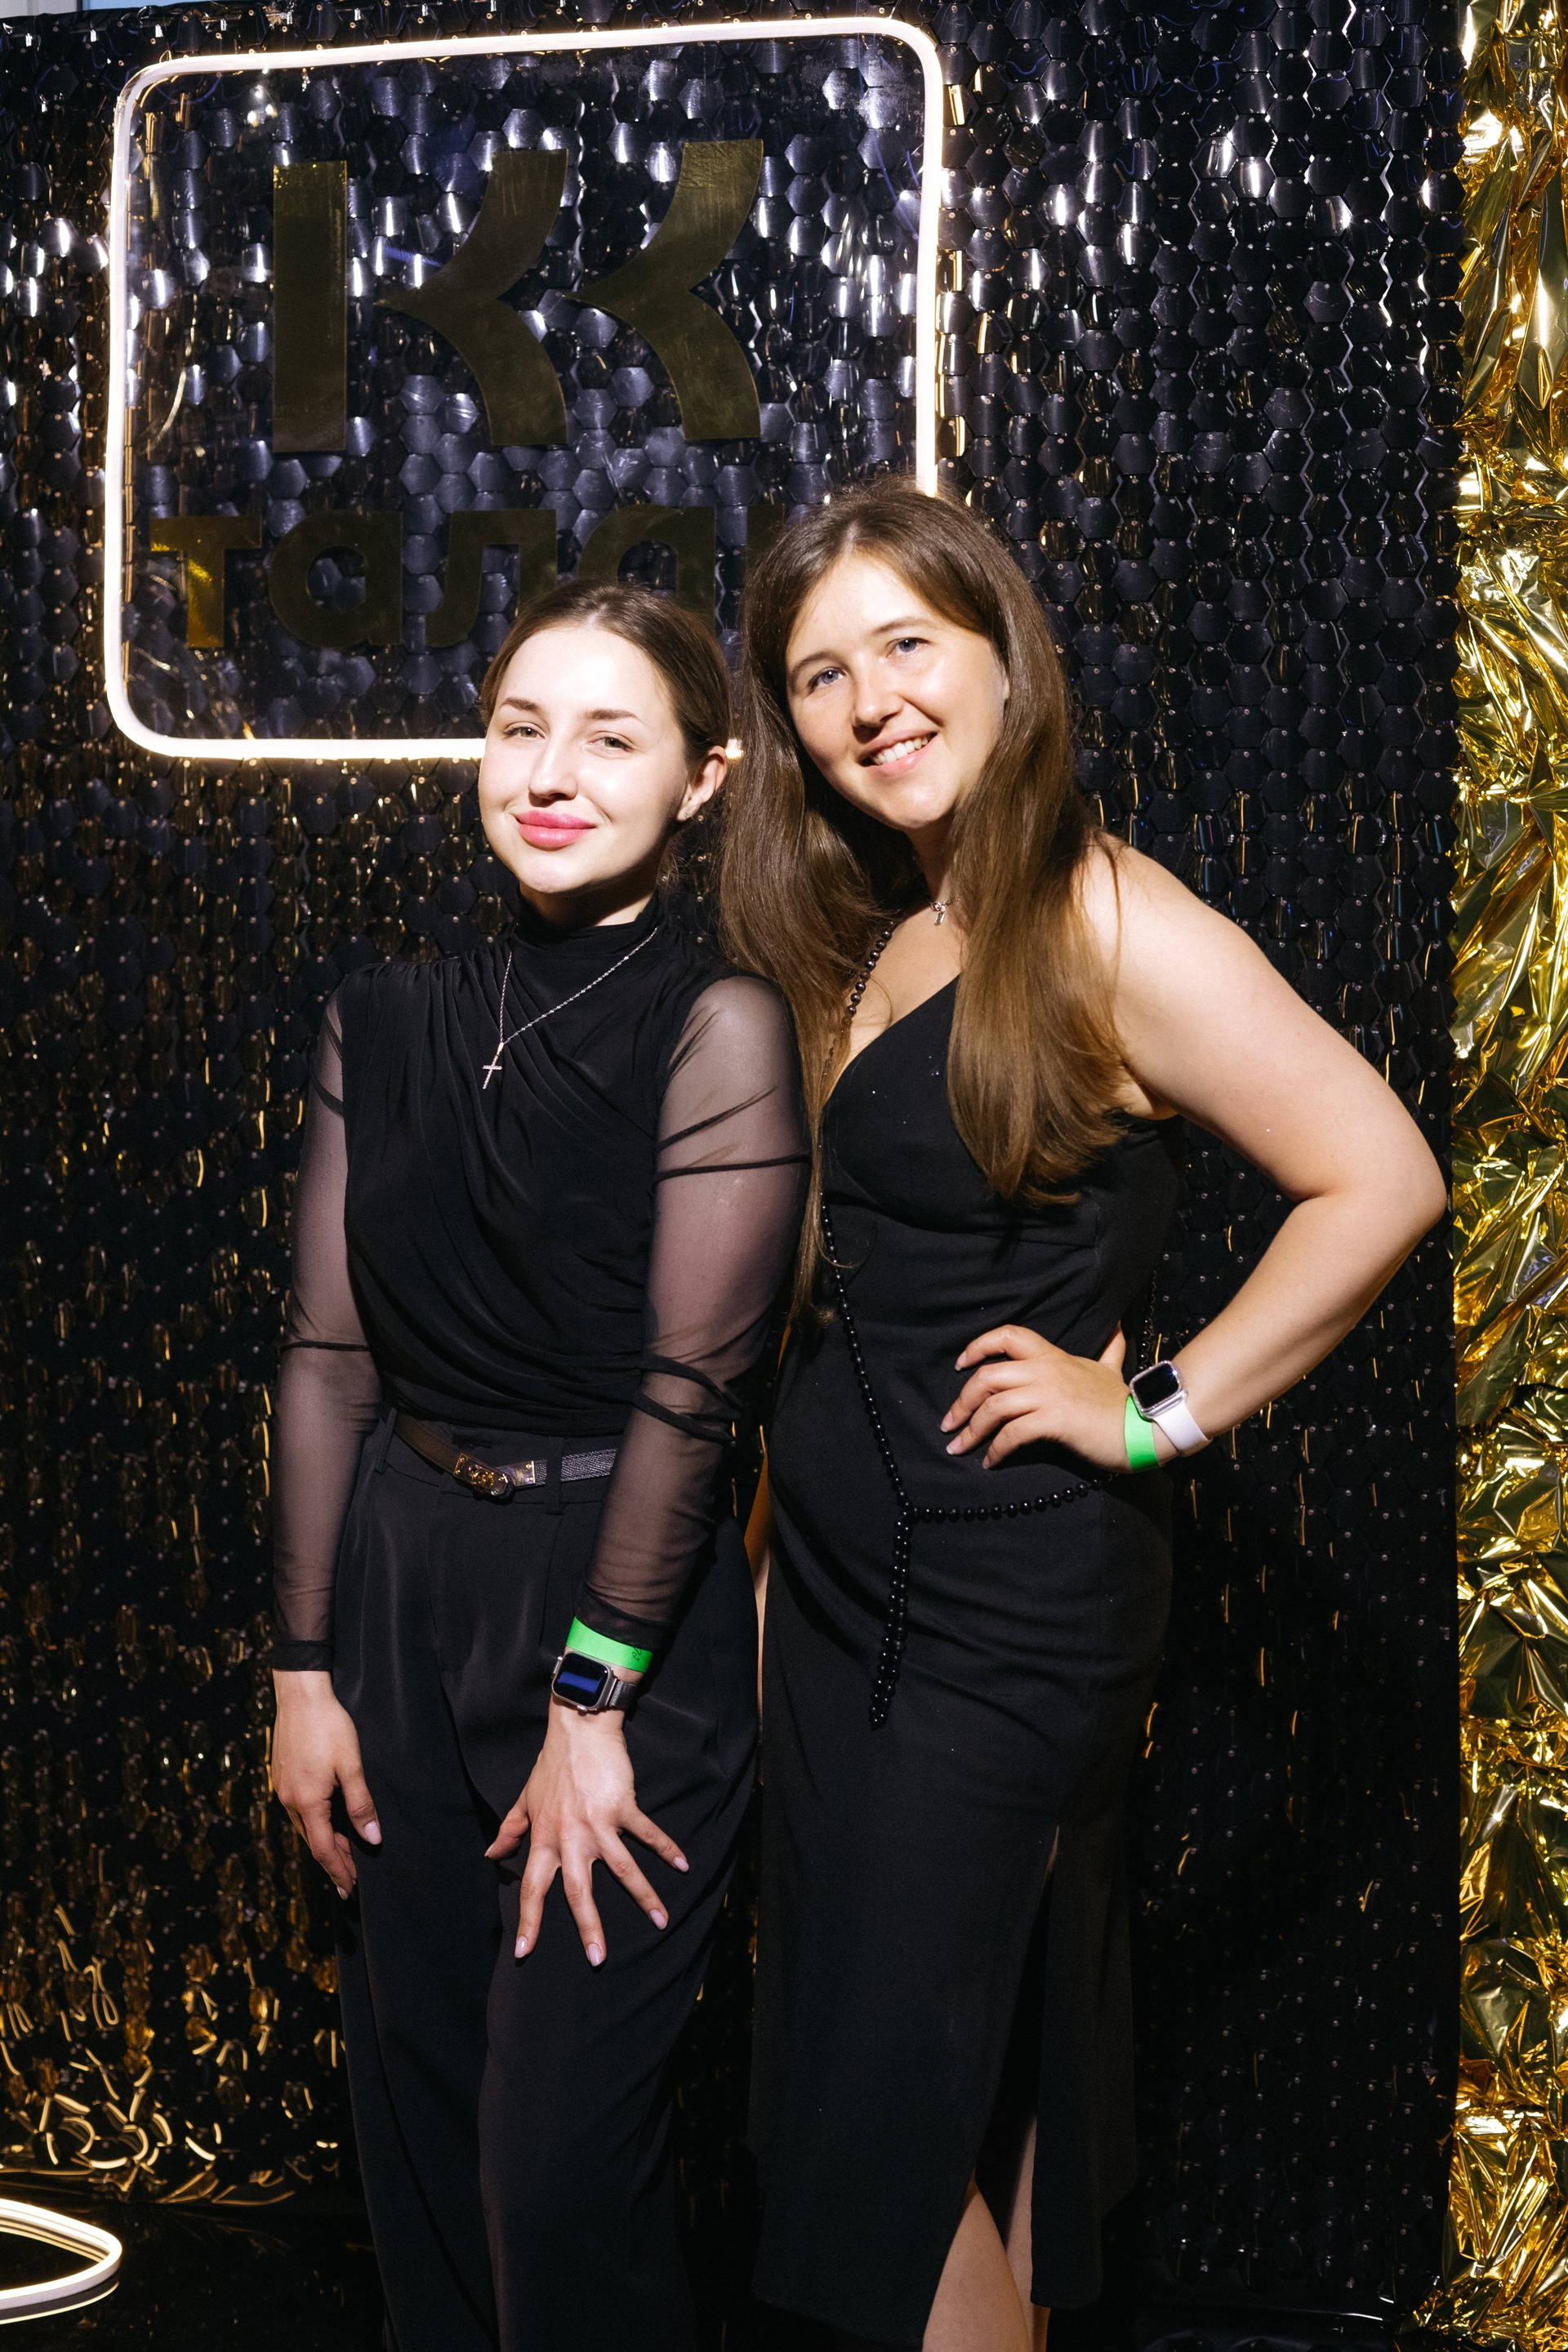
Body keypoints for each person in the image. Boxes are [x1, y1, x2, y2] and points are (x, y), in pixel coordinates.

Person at [719, 481, 1446, 2352]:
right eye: (820, 673)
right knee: (959, 2095)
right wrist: (771, 1570)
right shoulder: (890, 926)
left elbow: (1379, 1175)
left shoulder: (1105, 915)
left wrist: (1152, 1414)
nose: (871, 699)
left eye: (907, 643)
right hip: (847, 1602)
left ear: (1001, 658)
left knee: (891, 2138)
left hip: (1001, 1610)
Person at [268, 580, 808, 2352]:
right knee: (419, 2117)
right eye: (520, 729)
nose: (551, 773)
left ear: (704, 780)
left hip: (612, 1616)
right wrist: (303, 1670)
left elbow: (694, 1394)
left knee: (555, 2163)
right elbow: (330, 1357)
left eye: (610, 737)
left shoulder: (719, 1025)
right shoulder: (382, 1015)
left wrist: (593, 1702)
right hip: (401, 1585)